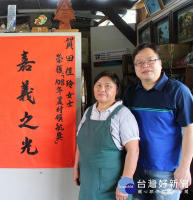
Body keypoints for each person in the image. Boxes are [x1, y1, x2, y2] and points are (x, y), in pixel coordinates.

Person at [123, 43, 193, 200]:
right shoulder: (131, 93)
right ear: (135, 67)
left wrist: (184, 167)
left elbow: (190, 131)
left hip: (167, 170)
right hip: (136, 167)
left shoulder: (178, 91)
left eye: (150, 60)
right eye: (139, 62)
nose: (145, 65)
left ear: (160, 63)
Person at [73, 71, 140, 200]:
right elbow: (81, 144)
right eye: (98, 85)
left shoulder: (123, 115)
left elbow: (134, 150)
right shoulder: (88, 112)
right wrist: (76, 168)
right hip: (88, 184)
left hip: (112, 187)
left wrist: (125, 184)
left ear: (117, 90)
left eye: (108, 86)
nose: (101, 89)